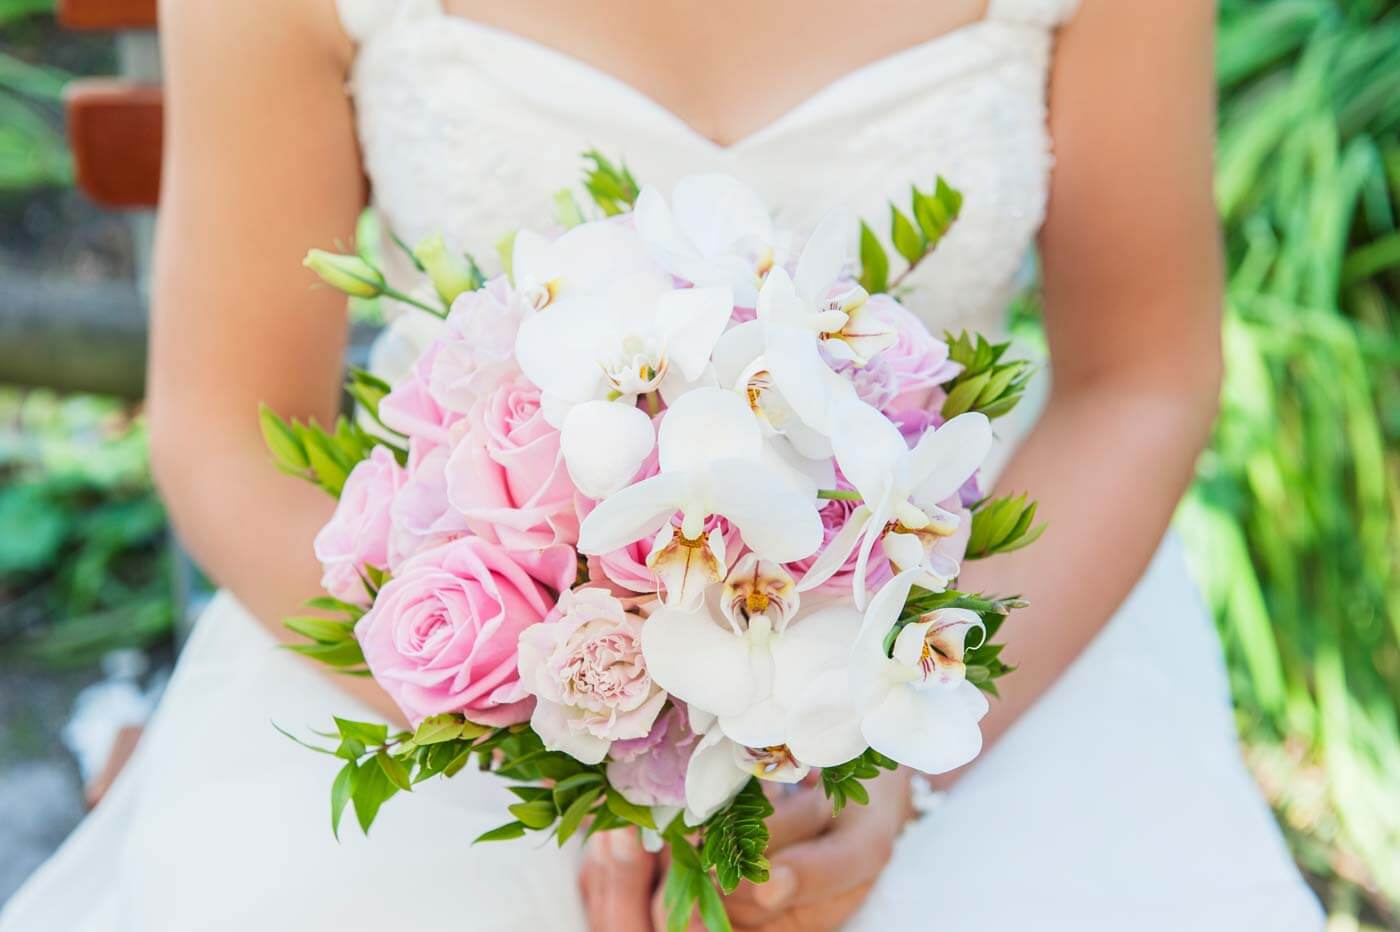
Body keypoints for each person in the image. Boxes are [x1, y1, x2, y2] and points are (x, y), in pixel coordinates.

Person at [0, 0, 1324, 929]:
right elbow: (226, 424)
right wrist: (570, 738)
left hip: (964, 608)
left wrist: (897, 767)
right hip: (460, 681)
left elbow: (1137, 379)